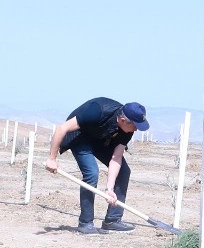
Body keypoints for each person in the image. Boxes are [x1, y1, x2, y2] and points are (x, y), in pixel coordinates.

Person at [43, 99, 149, 234]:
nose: (136, 129)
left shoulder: (127, 130)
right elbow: (62, 128)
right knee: (92, 173)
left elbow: (116, 158)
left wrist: (109, 189)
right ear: (123, 120)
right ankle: (85, 223)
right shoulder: (97, 110)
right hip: (80, 137)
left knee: (123, 171)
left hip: (101, 140)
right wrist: (52, 158)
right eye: (135, 126)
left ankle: (112, 220)